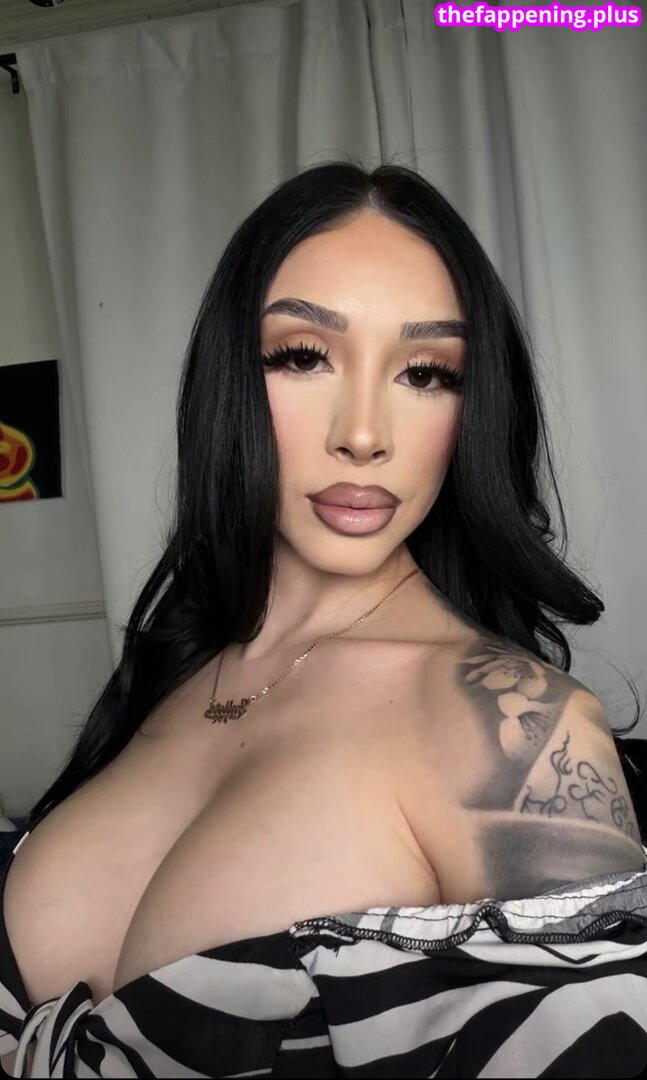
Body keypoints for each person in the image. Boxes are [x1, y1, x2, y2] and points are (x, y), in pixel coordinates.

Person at [2, 161, 647, 1078]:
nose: (363, 433)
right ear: (230, 379)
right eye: (303, 356)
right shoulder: (174, 671)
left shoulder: (523, 732)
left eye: (426, 372)